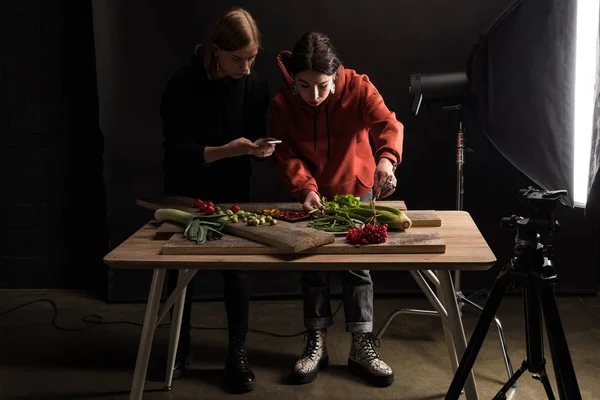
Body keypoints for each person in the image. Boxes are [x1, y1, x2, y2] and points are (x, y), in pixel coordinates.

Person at [270, 31, 403, 387]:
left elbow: (388, 125)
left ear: (337, 74)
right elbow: (285, 154)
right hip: (311, 198)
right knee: (312, 270)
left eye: (323, 86)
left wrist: (386, 162)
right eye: (304, 86)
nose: (313, 96)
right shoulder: (283, 103)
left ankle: (362, 344)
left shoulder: (358, 88)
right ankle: (316, 341)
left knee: (358, 270)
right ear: (293, 79)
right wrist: (304, 188)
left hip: (355, 193)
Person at [158, 7, 274, 394]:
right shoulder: (183, 83)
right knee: (180, 270)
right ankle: (178, 346)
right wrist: (224, 151)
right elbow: (176, 149)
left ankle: (237, 352)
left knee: (237, 271)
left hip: (233, 188)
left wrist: (261, 148)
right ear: (215, 51)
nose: (245, 66)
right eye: (237, 59)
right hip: (187, 187)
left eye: (252, 57)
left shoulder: (255, 85)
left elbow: (258, 132)